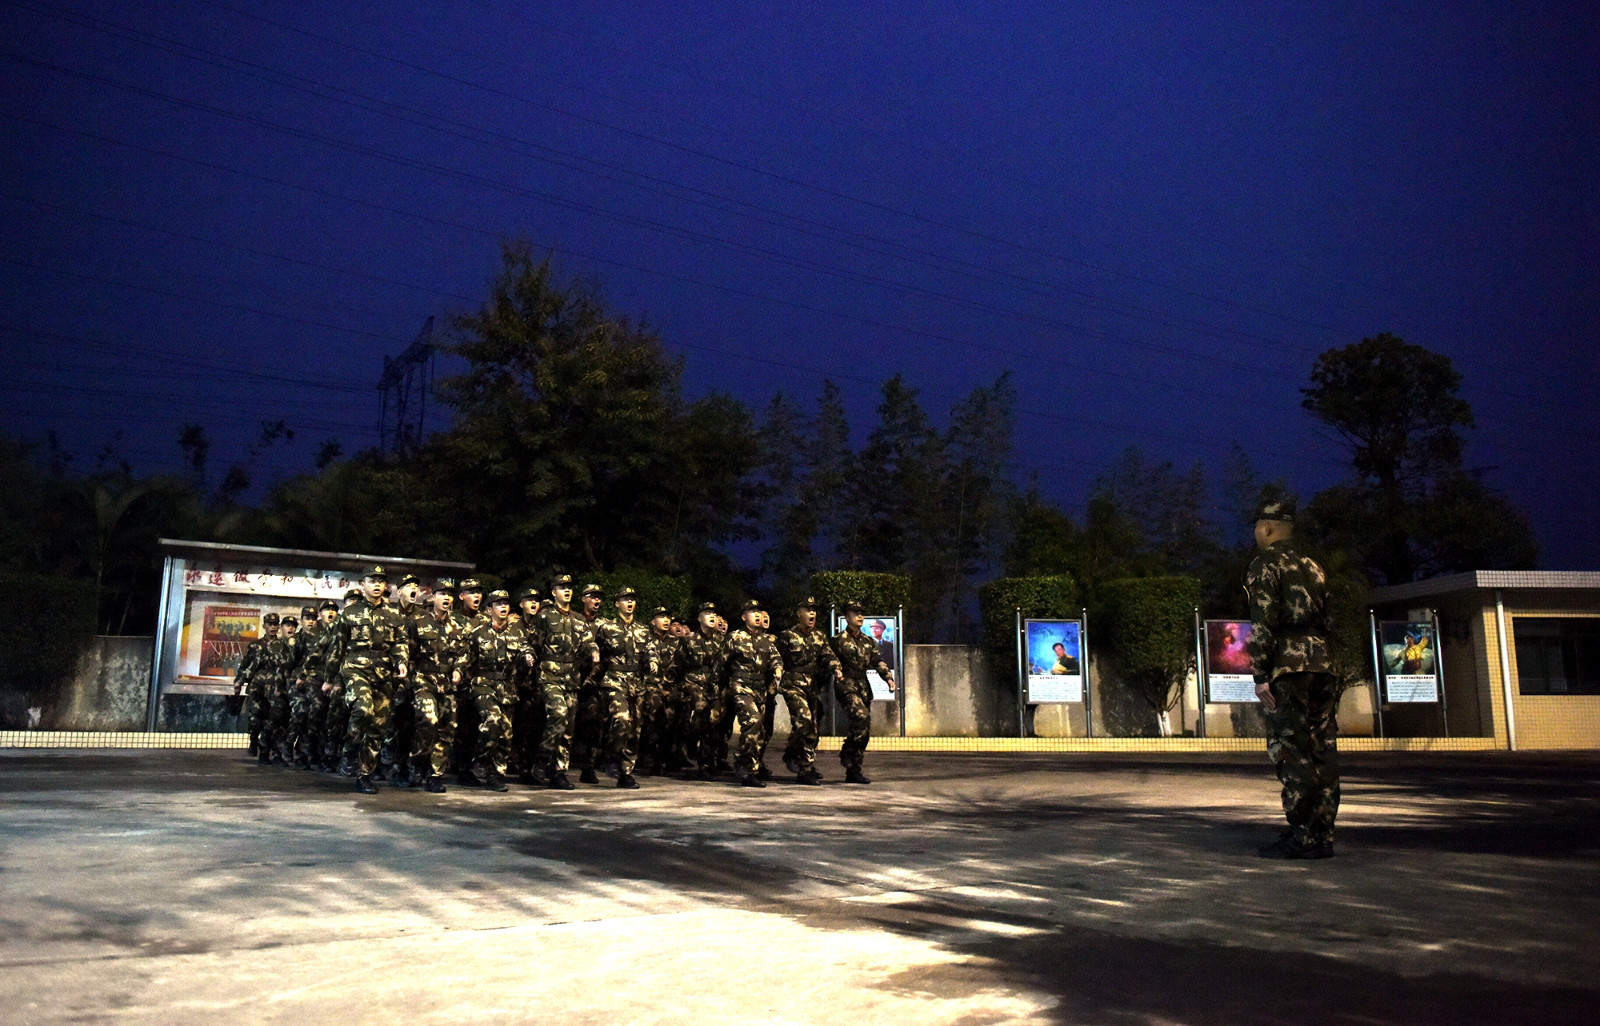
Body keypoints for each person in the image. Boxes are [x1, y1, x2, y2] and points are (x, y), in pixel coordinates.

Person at [1246, 496, 1339, 860]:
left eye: (1257, 527)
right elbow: (1330, 622)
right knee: (1323, 748)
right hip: (1324, 665)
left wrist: (1260, 675)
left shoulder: (1264, 565)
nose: (1256, 533)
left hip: (1288, 668)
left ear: (1267, 528)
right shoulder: (1314, 567)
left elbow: (1263, 623)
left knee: (1292, 749)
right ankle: (1324, 834)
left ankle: (1302, 834)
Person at [326, 566, 410, 794]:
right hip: (356, 669)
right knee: (363, 710)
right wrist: (330, 678)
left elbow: (400, 644)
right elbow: (338, 647)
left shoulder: (395, 616)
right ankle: (350, 749)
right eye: (372, 580)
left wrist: (401, 661)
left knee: (378, 728)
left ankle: (364, 775)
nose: (376, 585)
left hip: (383, 674)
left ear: (385, 587)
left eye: (381, 581)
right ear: (362, 585)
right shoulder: (349, 614)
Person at [528, 574, 600, 790]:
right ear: (553, 592)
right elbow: (532, 643)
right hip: (549, 676)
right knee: (558, 714)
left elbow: (588, 641)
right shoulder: (545, 617)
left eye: (569, 587)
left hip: (571, 679)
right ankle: (541, 761)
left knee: (568, 728)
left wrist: (594, 651)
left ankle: (559, 771)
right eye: (562, 587)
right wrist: (530, 657)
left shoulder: (578, 619)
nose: (567, 591)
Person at [453, 589, 528, 791]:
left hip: (507, 687)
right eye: (498, 604)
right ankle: (480, 760)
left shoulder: (517, 633)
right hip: (483, 684)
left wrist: (528, 659)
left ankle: (496, 774)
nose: (503, 607)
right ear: (489, 610)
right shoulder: (478, 633)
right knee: (492, 720)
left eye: (506, 604)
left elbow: (525, 651)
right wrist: (459, 673)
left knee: (505, 733)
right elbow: (465, 657)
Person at [774, 597, 843, 785]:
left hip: (812, 686)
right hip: (792, 684)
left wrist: (836, 667)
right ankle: (804, 769)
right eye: (807, 610)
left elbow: (828, 655)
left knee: (812, 725)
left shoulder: (819, 636)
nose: (812, 613)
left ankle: (795, 754)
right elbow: (776, 657)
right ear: (799, 614)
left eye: (814, 610)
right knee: (803, 720)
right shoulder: (787, 636)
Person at [592, 587, 656, 789]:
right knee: (621, 720)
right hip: (614, 680)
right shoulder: (607, 628)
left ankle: (625, 772)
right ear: (616, 604)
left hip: (636, 683)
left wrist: (653, 662)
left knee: (635, 730)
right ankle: (610, 756)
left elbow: (650, 651)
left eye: (632, 600)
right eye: (625, 599)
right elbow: (597, 651)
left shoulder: (643, 630)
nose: (629, 603)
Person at [830, 601, 896, 785]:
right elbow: (829, 658)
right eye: (855, 613)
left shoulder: (868, 641)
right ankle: (847, 752)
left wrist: (888, 678)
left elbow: (878, 661)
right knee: (861, 716)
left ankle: (853, 768)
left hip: (863, 685)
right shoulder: (838, 640)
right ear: (847, 617)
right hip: (846, 684)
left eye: (861, 613)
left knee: (864, 729)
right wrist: (835, 669)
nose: (860, 616)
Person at [409, 584, 464, 793]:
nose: (446, 598)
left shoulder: (457, 626)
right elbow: (408, 650)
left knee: (447, 729)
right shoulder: (419, 622)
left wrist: (459, 669)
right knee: (428, 721)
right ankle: (418, 762)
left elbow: (463, 653)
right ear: (434, 597)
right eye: (442, 594)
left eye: (450, 595)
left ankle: (435, 774)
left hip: (447, 684)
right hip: (424, 681)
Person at [725, 600, 783, 788]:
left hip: (760, 690)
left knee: (760, 732)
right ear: (744, 617)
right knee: (752, 722)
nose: (757, 615)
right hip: (741, 687)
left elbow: (776, 659)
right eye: (752, 612)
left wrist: (778, 669)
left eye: (759, 612)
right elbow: (721, 664)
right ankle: (744, 766)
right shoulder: (735, 637)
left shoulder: (766, 640)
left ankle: (752, 768)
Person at [235, 612, 278, 757]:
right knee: (255, 719)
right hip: (256, 687)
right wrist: (238, 682)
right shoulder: (255, 645)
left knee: (271, 719)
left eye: (275, 624)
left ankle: (266, 749)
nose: (272, 627)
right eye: (270, 624)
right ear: (264, 626)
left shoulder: (281, 646)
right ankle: (253, 741)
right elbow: (245, 665)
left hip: (273, 688)